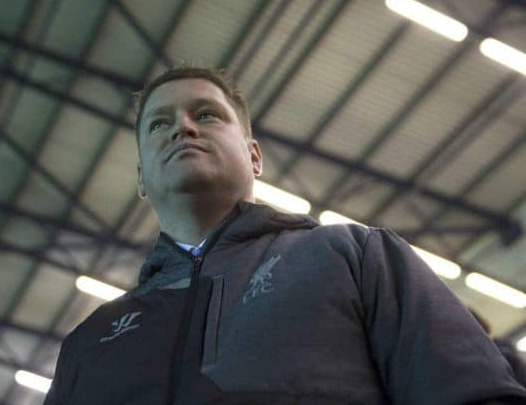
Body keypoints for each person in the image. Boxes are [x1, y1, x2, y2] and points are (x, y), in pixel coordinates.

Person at [43, 66, 526, 405]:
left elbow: (473, 393)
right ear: (142, 179)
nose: (182, 129)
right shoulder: (90, 342)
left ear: (254, 156)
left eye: (206, 114)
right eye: (159, 124)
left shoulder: (356, 256)